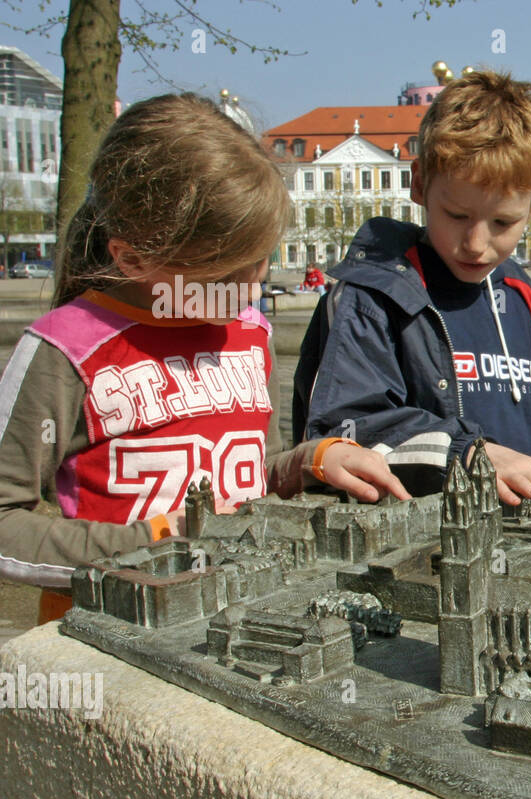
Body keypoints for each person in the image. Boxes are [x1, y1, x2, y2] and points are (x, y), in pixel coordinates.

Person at [0, 93, 408, 622]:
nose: (255, 286)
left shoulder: (249, 332)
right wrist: (149, 544)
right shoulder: (65, 349)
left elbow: (247, 479)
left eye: (261, 260)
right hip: (111, 637)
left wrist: (308, 461)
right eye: (230, 272)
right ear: (134, 257)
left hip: (239, 619)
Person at [294, 71, 531, 505]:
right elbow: (344, 428)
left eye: (503, 223)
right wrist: (472, 454)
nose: (476, 243)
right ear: (419, 185)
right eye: (456, 215)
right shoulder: (371, 297)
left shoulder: (523, 297)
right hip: (422, 549)